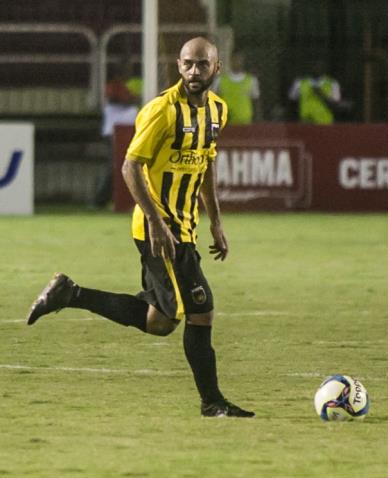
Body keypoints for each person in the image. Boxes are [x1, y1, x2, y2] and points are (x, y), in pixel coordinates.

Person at [26, 37, 254, 418]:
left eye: (202, 65)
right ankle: (212, 403)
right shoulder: (162, 111)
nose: (194, 72)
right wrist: (155, 220)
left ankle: (70, 293)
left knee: (160, 321)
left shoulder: (217, 109)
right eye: (187, 64)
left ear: (217, 68)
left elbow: (207, 164)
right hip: (156, 229)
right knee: (200, 311)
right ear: (178, 66)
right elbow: (130, 167)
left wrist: (215, 221)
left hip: (185, 228)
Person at [92, 61, 140, 208]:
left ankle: (113, 200)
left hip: (127, 132)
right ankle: (101, 200)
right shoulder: (113, 87)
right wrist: (132, 98)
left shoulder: (124, 87)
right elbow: (119, 99)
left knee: (121, 166)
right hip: (114, 134)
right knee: (115, 167)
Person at [216, 51, 261, 124]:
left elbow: (256, 101)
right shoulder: (220, 80)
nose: (237, 62)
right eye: (235, 59)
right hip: (226, 123)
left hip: (245, 122)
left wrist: (257, 120)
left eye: (239, 60)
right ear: (230, 61)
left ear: (243, 61)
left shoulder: (251, 80)